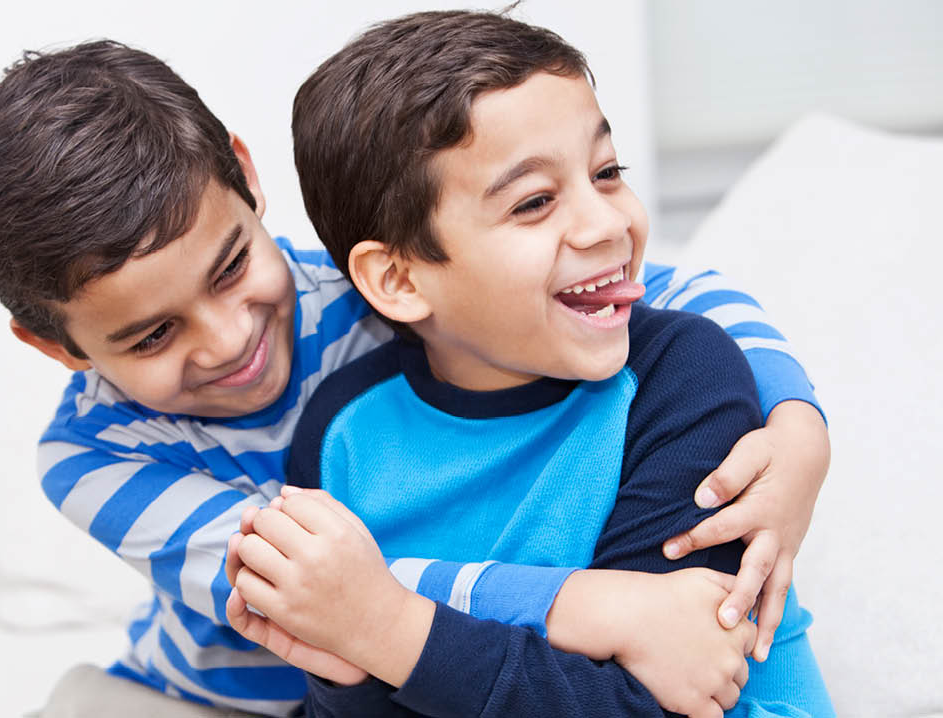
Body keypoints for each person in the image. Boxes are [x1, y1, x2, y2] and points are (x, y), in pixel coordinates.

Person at [0, 38, 829, 718]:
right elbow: (318, 592)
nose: (227, 341)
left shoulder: (374, 294)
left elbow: (657, 295)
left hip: (402, 667)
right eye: (151, 335)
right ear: (56, 346)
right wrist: (591, 606)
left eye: (228, 270)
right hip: (209, 697)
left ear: (248, 182)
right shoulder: (88, 460)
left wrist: (795, 420)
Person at [224, 9, 833, 718]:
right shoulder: (341, 433)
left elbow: (660, 699)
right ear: (399, 281)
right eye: (535, 201)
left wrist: (388, 629)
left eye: (607, 172)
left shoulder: (683, 378)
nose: (608, 222)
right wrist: (346, 663)